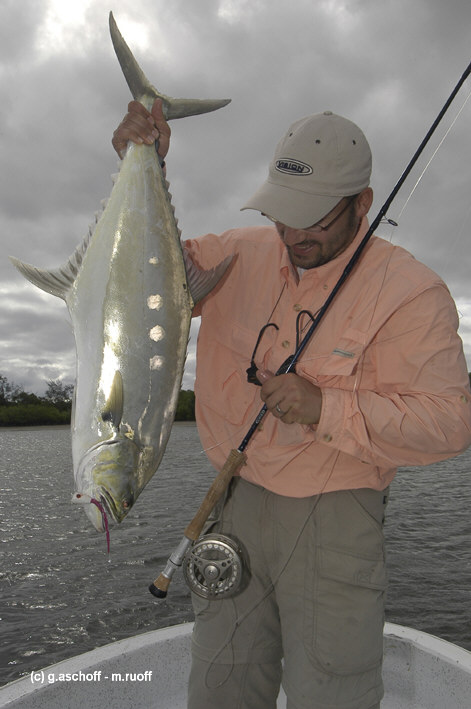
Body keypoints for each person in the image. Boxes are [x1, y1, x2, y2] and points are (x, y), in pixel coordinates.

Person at [113, 100, 471, 709]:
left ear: (363, 202)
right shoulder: (236, 255)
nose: (293, 235)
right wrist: (140, 164)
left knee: (331, 691)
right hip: (232, 500)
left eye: (314, 220)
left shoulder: (413, 294)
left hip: (336, 513)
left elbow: (450, 423)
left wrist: (327, 407)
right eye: (282, 215)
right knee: (221, 681)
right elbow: (137, 276)